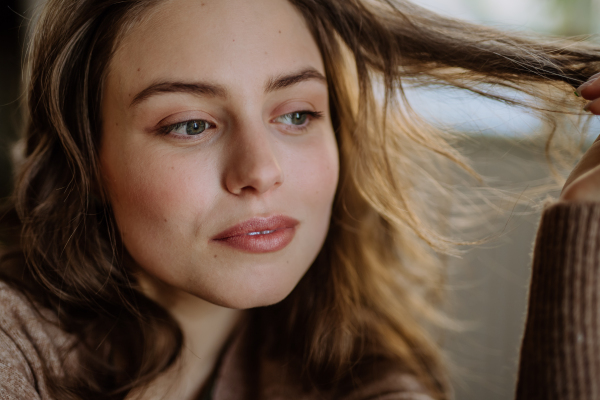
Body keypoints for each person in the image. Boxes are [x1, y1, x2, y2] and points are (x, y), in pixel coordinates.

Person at [0, 0, 599, 399]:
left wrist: (586, 222)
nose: (260, 171)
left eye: (296, 114)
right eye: (189, 124)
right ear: (85, 158)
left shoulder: (353, 374)